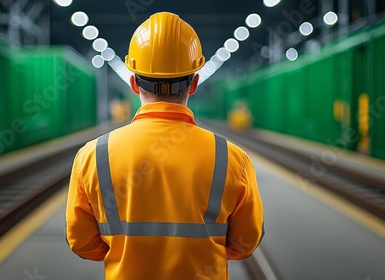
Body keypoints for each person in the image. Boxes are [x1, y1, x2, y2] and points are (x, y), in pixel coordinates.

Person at [66, 11, 264, 280]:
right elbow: (245, 243)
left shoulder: (92, 155)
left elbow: (82, 243)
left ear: (134, 83)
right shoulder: (231, 157)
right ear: (194, 83)